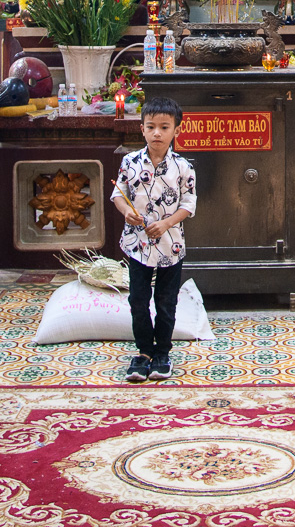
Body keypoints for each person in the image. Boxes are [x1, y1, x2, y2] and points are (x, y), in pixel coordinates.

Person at [111, 96, 197, 382]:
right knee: (138, 299)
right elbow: (118, 194)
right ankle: (144, 352)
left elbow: (188, 205)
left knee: (166, 301)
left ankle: (162, 353)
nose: (157, 133)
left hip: (171, 244)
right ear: (142, 129)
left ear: (177, 130)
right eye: (151, 127)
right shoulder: (130, 162)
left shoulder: (183, 167)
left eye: (164, 127)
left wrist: (166, 223)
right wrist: (126, 212)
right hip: (137, 244)